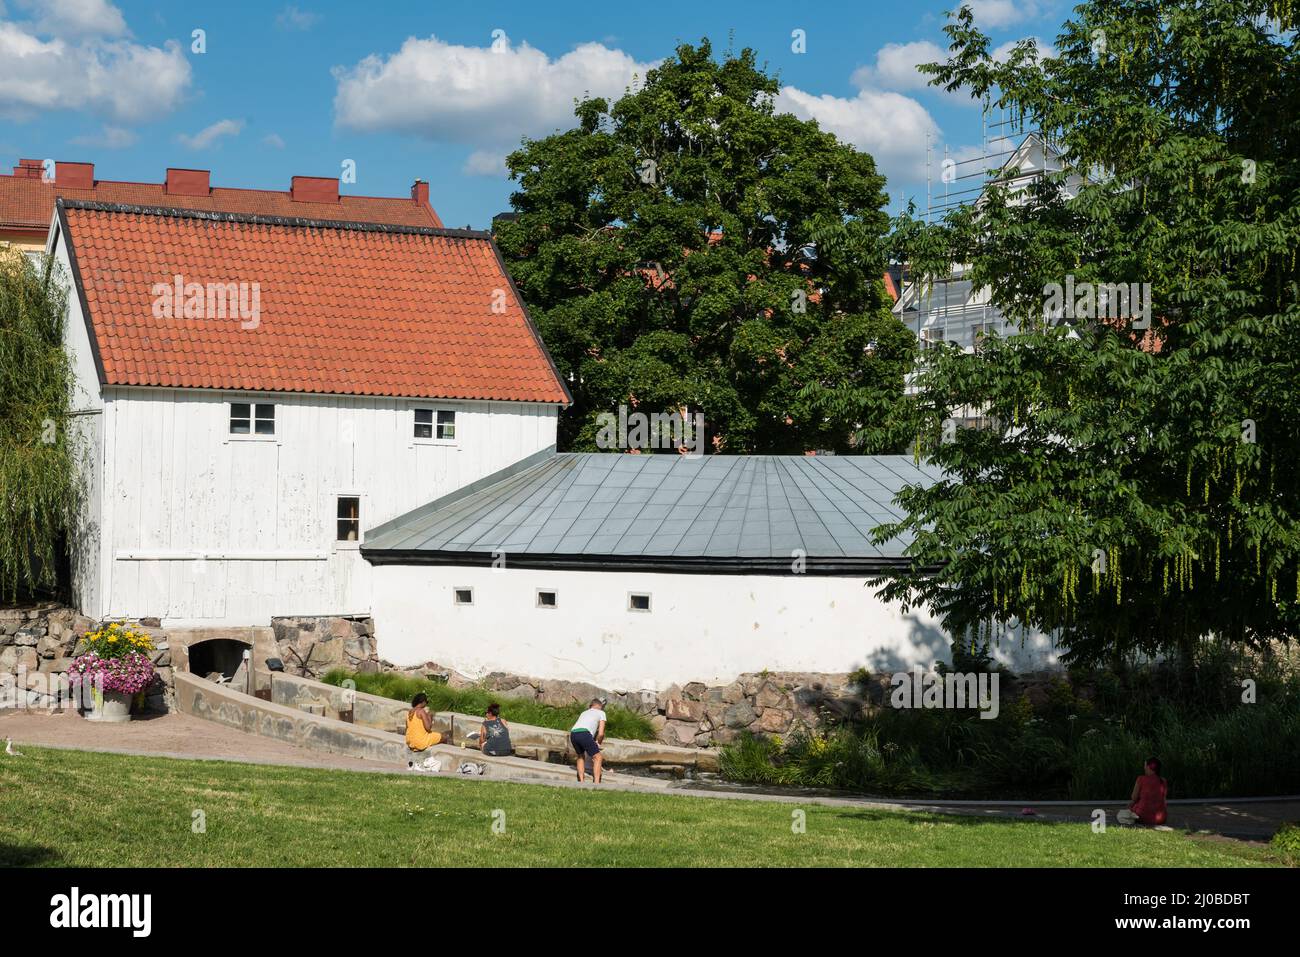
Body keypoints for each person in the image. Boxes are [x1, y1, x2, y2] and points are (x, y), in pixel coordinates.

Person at [1117, 757, 1168, 826]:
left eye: (1145, 765)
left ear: (1148, 767)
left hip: (1143, 817)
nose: (1144, 767)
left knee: (1122, 813)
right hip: (1161, 818)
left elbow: (1133, 797)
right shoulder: (1163, 781)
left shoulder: (1141, 779)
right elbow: (1163, 800)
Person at [569, 698, 607, 784]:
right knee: (598, 757)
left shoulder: (584, 712)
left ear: (591, 706)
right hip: (584, 733)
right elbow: (601, 734)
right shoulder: (601, 713)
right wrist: (598, 743)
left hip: (573, 733)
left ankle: (581, 782)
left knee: (580, 756)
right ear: (600, 706)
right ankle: (596, 784)